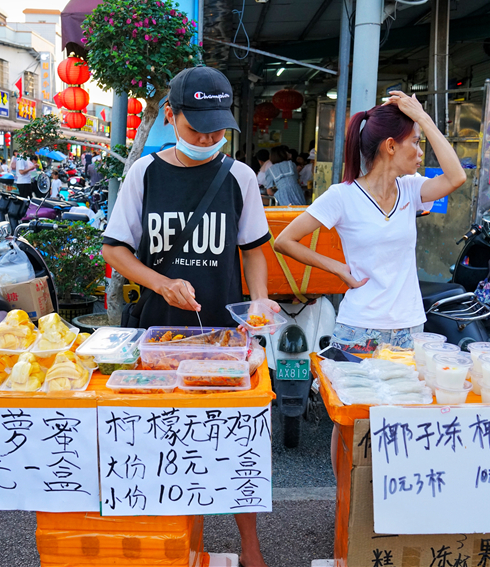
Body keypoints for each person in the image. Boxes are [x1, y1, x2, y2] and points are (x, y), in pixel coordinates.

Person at [103, 65, 276, 567]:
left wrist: (258, 304)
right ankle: (180, 545)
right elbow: (115, 250)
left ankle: (250, 546)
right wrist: (161, 283)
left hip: (226, 336)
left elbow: (254, 250)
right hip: (160, 341)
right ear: (170, 115)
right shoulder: (145, 173)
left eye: (217, 130)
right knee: (169, 445)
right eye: (197, 128)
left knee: (238, 446)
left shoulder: (239, 177)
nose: (207, 139)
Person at [273, 92, 466, 473]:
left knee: (404, 420)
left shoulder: (411, 190)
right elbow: (285, 240)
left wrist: (423, 119)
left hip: (408, 328)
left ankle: (389, 499)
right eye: (415, 143)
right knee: (352, 422)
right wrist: (337, 268)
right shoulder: (342, 196)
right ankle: (348, 502)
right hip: (359, 329)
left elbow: (456, 177)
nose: (420, 153)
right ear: (391, 146)